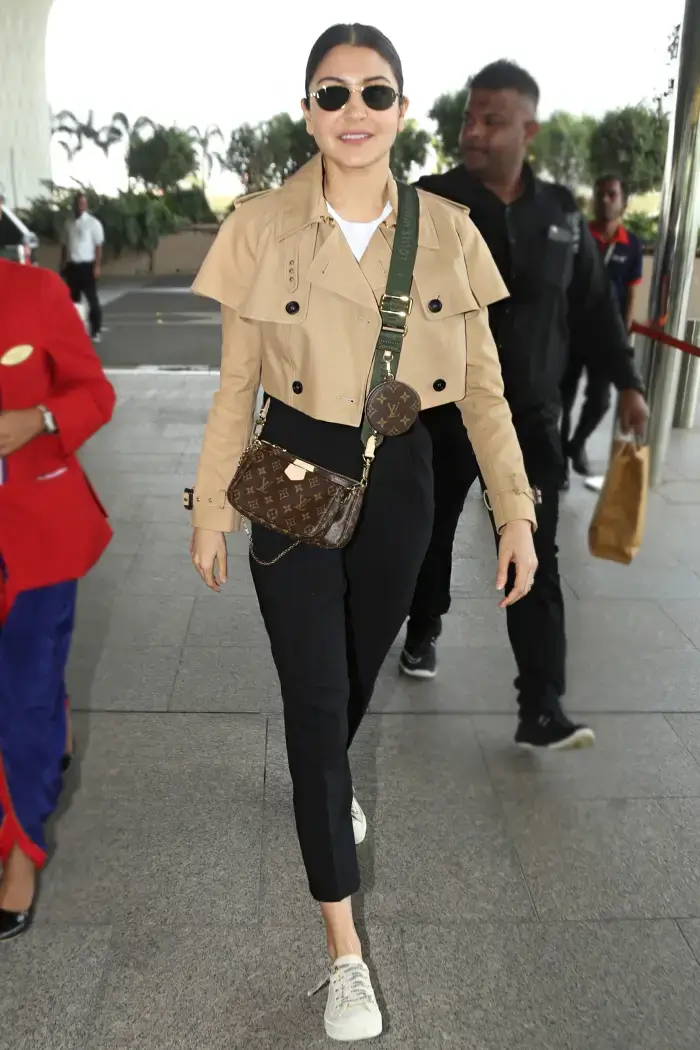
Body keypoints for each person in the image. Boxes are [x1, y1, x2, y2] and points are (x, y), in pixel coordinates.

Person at [187, 25, 537, 1043]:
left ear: (401, 110)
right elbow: (234, 389)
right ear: (307, 111)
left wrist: (515, 510)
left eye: (374, 93)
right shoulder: (258, 226)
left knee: (344, 685)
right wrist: (209, 508)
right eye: (331, 93)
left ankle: (323, 781)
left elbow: (484, 393)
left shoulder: (450, 231)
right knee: (313, 698)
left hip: (403, 480)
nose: (354, 111)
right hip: (292, 472)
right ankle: (344, 955)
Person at [399, 61, 648, 751]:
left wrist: (627, 383)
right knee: (431, 534)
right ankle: (423, 627)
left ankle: (541, 704)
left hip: (530, 420)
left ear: (528, 131)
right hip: (444, 414)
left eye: (492, 121)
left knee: (534, 549)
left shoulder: (561, 215)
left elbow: (594, 309)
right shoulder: (432, 202)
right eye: (468, 118)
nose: (473, 132)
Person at [0, 257, 115, 940]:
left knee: (25, 695)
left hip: (34, 535)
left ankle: (22, 849)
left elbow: (94, 392)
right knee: (31, 686)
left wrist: (40, 417)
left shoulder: (35, 291)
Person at [561, 175, 644, 477]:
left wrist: (624, 333)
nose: (605, 200)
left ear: (623, 202)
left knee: (600, 400)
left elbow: (631, 292)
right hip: (570, 330)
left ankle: (576, 445)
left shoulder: (631, 245)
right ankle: (559, 460)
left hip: (605, 337)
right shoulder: (578, 235)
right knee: (562, 399)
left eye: (612, 194)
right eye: (600, 194)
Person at [60, 192, 105, 342]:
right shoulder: (68, 223)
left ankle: (96, 331)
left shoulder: (93, 223)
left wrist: (97, 266)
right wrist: (62, 264)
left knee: (92, 300)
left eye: (82, 203)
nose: (79, 206)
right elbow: (65, 245)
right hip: (72, 266)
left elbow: (98, 246)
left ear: (86, 205)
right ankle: (75, 331)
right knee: (73, 302)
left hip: (87, 267)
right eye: (77, 203)